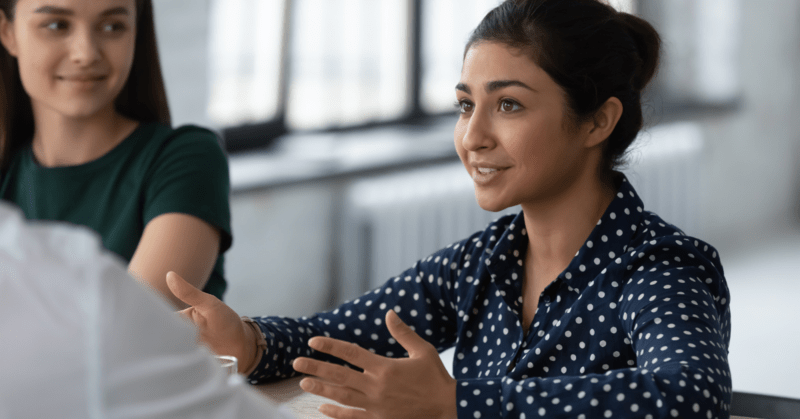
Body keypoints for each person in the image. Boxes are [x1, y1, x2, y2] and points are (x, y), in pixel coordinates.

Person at [168, 0, 732, 418]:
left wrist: (458, 402)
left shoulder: (661, 268)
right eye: (466, 105)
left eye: (508, 104)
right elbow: (333, 339)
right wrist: (248, 342)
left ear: (597, 121)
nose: (473, 136)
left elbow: (689, 395)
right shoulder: (482, 262)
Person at [0, 0, 231, 308]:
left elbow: (131, 329)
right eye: (57, 25)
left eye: (113, 26)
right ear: (7, 32)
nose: (86, 53)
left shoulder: (185, 158)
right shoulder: (7, 173)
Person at [0, 202, 294, 419]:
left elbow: (333, 328)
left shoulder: (77, 294)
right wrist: (254, 341)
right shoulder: (77, 297)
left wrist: (252, 343)